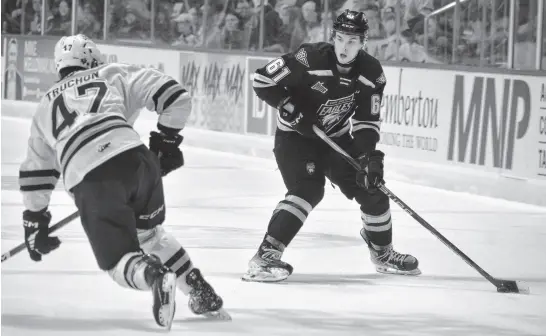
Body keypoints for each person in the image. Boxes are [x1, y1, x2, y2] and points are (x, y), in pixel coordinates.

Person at [18, 34, 229, 329]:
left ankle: (155, 277)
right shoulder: (112, 73)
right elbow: (174, 94)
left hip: (90, 176)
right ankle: (198, 290)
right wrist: (166, 144)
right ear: (93, 58)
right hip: (137, 160)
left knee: (118, 261)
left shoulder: (44, 107)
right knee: (150, 235)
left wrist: (34, 218)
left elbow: (36, 173)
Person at [243, 10, 420, 282]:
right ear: (333, 38)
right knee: (308, 190)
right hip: (295, 139)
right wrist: (291, 109)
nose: (344, 47)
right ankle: (265, 256)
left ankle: (383, 253)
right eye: (340, 39)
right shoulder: (309, 57)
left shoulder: (372, 73)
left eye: (352, 41)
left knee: (372, 188)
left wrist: (368, 158)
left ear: (363, 42)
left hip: (335, 138)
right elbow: (262, 80)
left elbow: (366, 122)